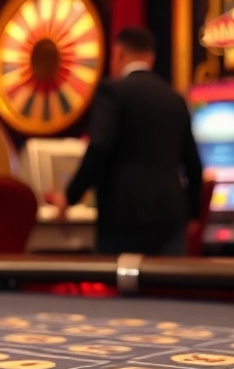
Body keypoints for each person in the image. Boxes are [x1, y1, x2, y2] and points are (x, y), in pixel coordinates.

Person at [46, 27, 204, 255]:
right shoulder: (175, 99)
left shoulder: (112, 91)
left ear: (118, 53)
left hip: (124, 219)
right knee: (167, 288)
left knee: (120, 290)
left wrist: (69, 196)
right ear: (152, 57)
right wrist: (192, 214)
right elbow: (193, 164)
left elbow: (99, 148)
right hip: (171, 218)